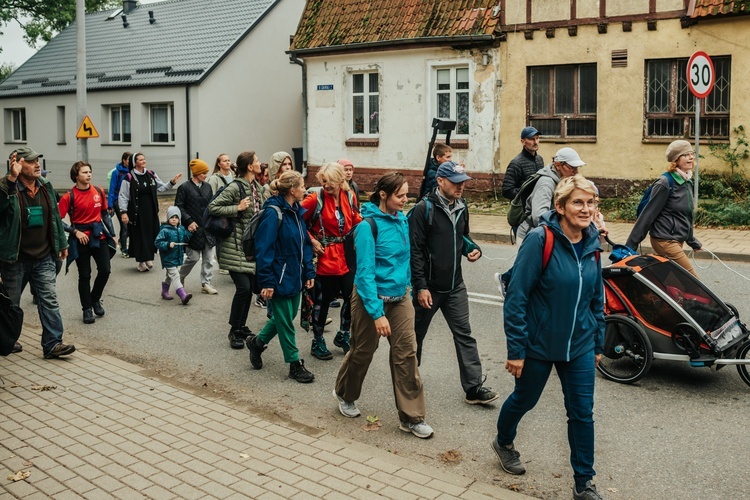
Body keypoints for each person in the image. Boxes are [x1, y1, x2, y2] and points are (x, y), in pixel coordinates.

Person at [493, 174, 605, 500]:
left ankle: (584, 482)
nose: (586, 209)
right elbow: (517, 297)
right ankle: (503, 441)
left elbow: (597, 298)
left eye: (590, 203)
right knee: (524, 399)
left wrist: (598, 342)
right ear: (560, 206)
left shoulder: (593, 244)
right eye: (578, 202)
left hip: (581, 344)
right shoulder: (541, 240)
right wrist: (516, 349)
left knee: (582, 412)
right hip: (539, 344)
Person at [333, 172, 434, 439]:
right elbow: (364, 274)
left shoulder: (402, 220)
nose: (405, 199)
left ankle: (412, 417)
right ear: (383, 195)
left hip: (399, 298)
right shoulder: (368, 227)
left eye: (406, 194)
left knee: (406, 354)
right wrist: (377, 314)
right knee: (363, 350)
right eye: (400, 195)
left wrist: (411, 286)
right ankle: (345, 393)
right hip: (371, 298)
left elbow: (407, 258)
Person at [409, 161, 498, 405]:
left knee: (464, 334)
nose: (461, 187)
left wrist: (473, 248)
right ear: (440, 181)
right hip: (429, 286)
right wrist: (421, 287)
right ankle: (407, 381)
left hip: (455, 285)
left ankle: (474, 387)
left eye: (463, 182)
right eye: (456, 182)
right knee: (415, 335)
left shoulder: (462, 206)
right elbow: (414, 251)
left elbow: (463, 236)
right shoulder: (422, 209)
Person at [0, 147, 75, 359]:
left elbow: (54, 218)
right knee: (10, 304)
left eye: (37, 161)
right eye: (31, 161)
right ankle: (6, 340)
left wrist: (61, 243)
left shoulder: (46, 185)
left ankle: (53, 344)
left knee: (49, 299)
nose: (37, 164)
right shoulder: (6, 187)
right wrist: (11, 180)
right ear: (16, 164)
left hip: (43, 256)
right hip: (15, 259)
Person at [246, 171, 317, 383]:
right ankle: (295, 364)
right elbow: (263, 250)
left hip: (295, 274)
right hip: (278, 276)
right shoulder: (272, 213)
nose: (305, 189)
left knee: (283, 317)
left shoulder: (296, 211)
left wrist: (308, 271)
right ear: (292, 190)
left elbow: (304, 243)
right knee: (286, 322)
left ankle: (257, 344)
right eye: (303, 186)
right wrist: (266, 281)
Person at [301, 162, 362, 360]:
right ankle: (317, 340)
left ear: (340, 180)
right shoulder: (314, 199)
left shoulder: (349, 196)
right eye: (323, 181)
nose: (326, 185)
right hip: (324, 256)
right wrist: (311, 240)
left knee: (352, 299)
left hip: (346, 255)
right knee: (322, 302)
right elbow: (296, 220)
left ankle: (343, 334)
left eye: (330, 182)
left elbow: (356, 220)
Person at [208, 150, 267, 349]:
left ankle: (241, 326)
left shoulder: (256, 187)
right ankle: (234, 330)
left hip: (249, 247)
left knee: (249, 289)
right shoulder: (235, 187)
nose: (260, 163)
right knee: (243, 288)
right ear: (250, 167)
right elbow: (213, 207)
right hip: (234, 247)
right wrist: (237, 208)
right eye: (257, 161)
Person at [625, 140, 701, 277]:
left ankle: (650, 296)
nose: (691, 157)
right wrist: (629, 247)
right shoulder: (665, 183)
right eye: (685, 155)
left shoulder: (686, 181)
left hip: (677, 240)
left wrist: (692, 241)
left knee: (670, 280)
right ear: (676, 160)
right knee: (692, 280)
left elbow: (686, 215)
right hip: (664, 240)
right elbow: (648, 215)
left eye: (692, 154)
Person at [57, 161, 115, 324]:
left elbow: (104, 214)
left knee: (105, 270)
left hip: (99, 236)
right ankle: (87, 309)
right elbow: (58, 221)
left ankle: (94, 299)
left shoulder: (98, 191)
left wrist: (113, 234)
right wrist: (75, 232)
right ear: (76, 176)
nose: (88, 174)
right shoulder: (69, 196)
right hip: (80, 238)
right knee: (85, 275)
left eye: (89, 172)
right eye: (84, 172)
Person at [118, 153, 181, 272]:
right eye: (140, 159)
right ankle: (142, 261)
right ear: (135, 162)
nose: (143, 161)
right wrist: (123, 212)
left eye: (144, 159)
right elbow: (123, 196)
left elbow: (161, 187)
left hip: (151, 211)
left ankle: (147, 257)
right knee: (140, 235)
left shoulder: (151, 174)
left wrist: (172, 182)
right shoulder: (129, 177)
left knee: (151, 234)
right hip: (137, 212)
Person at [516, 147, 586, 240]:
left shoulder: (563, 181)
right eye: (571, 167)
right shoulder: (546, 184)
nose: (576, 171)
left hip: (547, 234)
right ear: (557, 165)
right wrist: (563, 226)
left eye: (577, 167)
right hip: (531, 236)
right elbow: (538, 216)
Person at [174, 159, 217, 295]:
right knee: (192, 257)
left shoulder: (207, 187)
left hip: (207, 228)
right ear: (196, 172)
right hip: (192, 229)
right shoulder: (184, 188)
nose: (205, 175)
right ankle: (180, 277)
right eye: (203, 172)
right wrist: (188, 221)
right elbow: (179, 207)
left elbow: (211, 204)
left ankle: (206, 283)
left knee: (209, 258)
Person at [154, 206, 193, 305]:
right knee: (175, 275)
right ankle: (182, 295)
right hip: (168, 258)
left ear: (179, 219)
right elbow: (157, 242)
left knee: (169, 275)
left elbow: (186, 238)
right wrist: (167, 244)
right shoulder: (164, 230)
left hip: (177, 257)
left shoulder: (181, 229)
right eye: (172, 217)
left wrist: (190, 232)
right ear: (168, 219)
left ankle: (164, 291)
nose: (174, 219)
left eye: (176, 217)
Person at [502, 126, 545, 200]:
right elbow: (507, 190)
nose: (535, 142)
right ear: (523, 142)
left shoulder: (539, 159)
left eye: (537, 138)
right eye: (531, 139)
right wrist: (526, 196)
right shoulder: (516, 163)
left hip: (537, 206)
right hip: (523, 209)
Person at [108, 151, 131, 257]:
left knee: (130, 224)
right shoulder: (117, 173)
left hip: (130, 201)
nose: (130, 162)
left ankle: (123, 241)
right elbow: (111, 189)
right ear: (124, 160)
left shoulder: (132, 172)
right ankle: (124, 249)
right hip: (118, 200)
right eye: (128, 160)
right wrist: (110, 205)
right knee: (124, 224)